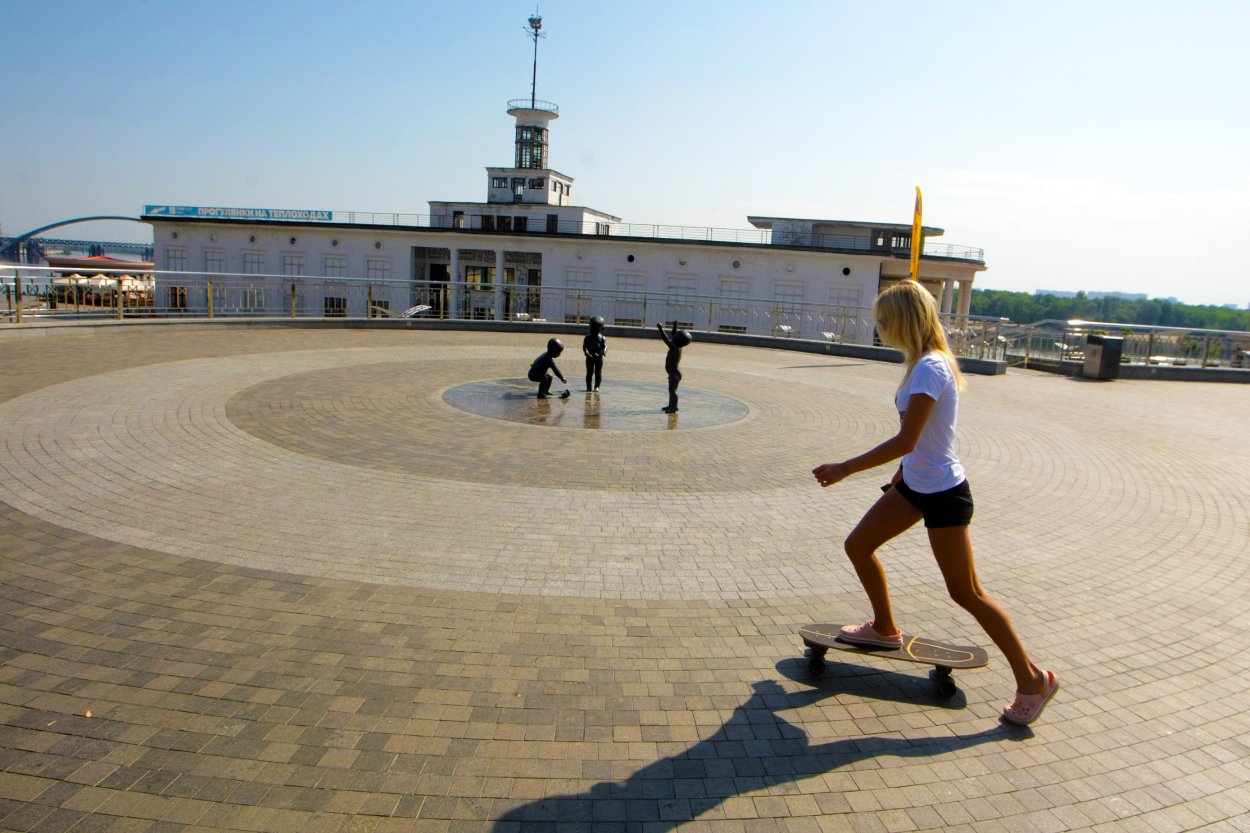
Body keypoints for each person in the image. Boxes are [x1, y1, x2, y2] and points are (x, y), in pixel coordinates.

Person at [811, 280, 1058, 725]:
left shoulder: (929, 367)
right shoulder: (922, 364)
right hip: (915, 484)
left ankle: (1033, 680)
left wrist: (846, 466)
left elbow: (909, 436)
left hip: (943, 493)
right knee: (858, 545)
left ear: (902, 320)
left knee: (966, 592)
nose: (880, 329)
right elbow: (920, 441)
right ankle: (885, 629)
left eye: (883, 322)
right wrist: (904, 471)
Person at [656, 321, 692, 413]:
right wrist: (675, 326)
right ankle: (670, 405)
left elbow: (666, 340)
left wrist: (660, 329)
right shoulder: (677, 345)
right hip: (673, 372)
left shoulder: (675, 348)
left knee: (673, 391)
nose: (674, 335)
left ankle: (674, 407)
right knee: (671, 390)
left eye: (677, 335)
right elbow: (673, 335)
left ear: (679, 340)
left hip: (674, 373)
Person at [583, 315, 607, 391]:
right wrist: (586, 353)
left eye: (596, 329)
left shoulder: (602, 338)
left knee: (598, 372)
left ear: (601, 329)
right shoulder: (587, 337)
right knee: (589, 372)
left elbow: (605, 346)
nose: (593, 330)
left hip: (599, 358)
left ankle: (597, 386)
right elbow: (584, 346)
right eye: (592, 328)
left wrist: (603, 352)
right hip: (589, 357)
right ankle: (588, 386)